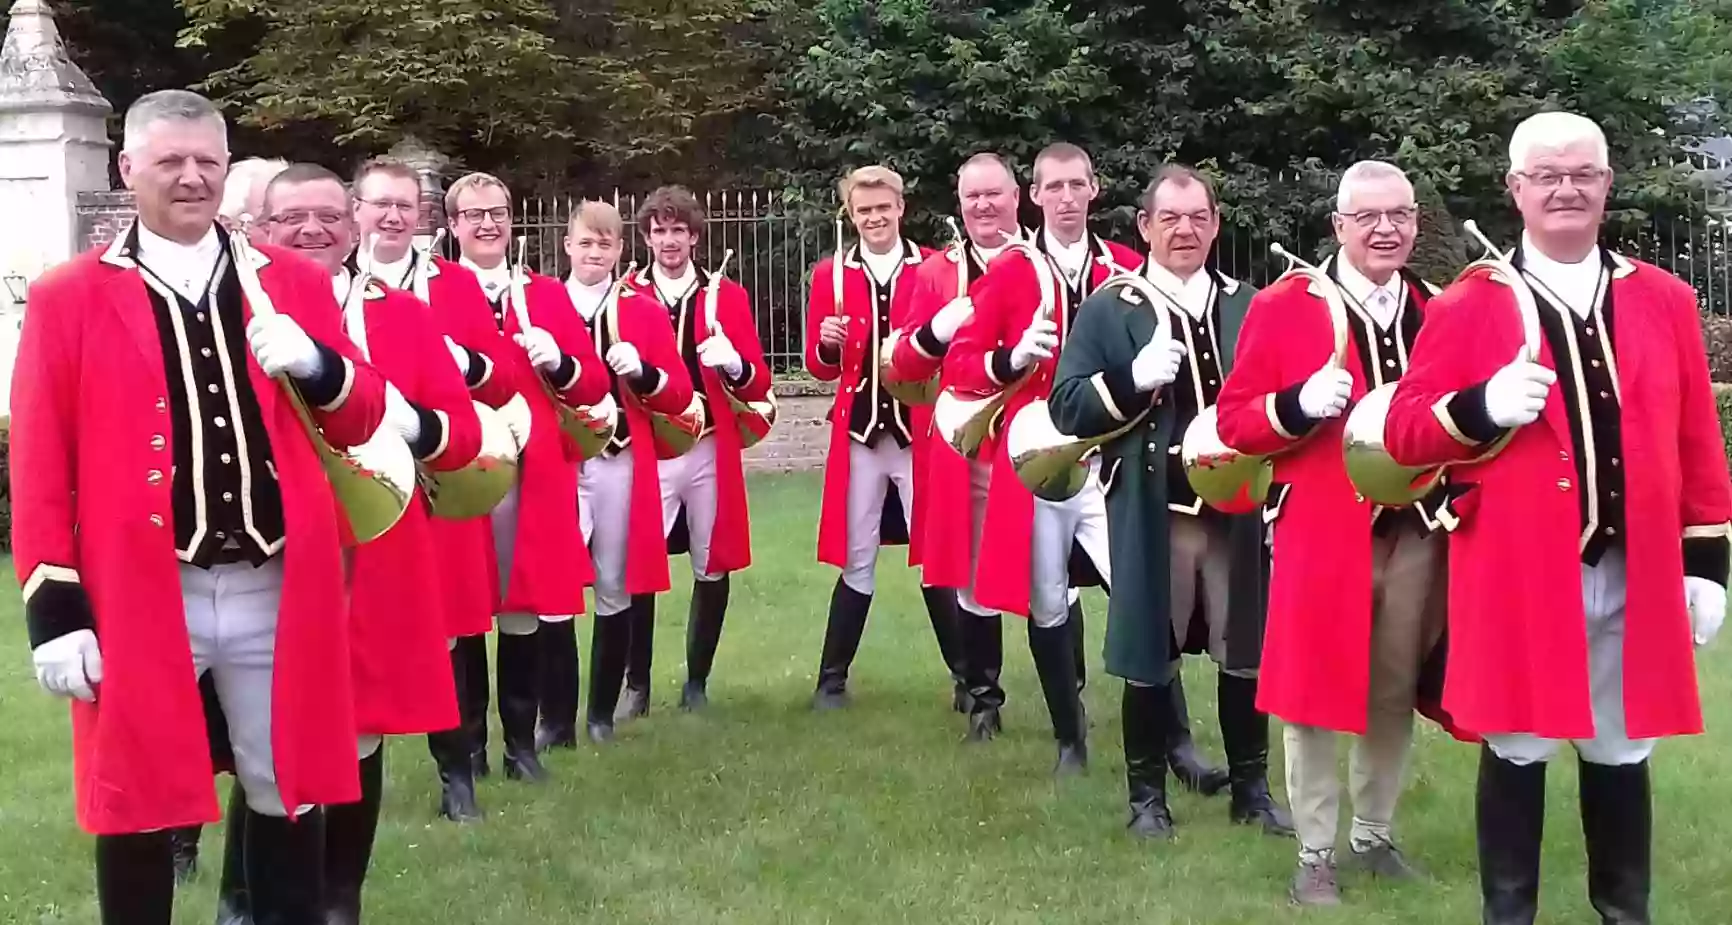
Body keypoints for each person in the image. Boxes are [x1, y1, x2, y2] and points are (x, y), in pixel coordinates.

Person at [14, 89, 384, 925]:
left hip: (277, 584)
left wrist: (321, 366)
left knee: (285, 781)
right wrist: (55, 609)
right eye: (170, 161)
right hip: (145, 594)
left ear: (227, 168)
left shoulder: (289, 281)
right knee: (137, 796)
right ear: (128, 169)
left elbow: (361, 419)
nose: (190, 178)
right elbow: (42, 463)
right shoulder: (68, 296)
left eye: (207, 162)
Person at [1384, 110, 1732, 924]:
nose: (1566, 189)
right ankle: (1510, 915)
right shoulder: (1472, 302)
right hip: (1518, 572)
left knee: (1621, 743)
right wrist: (1479, 406)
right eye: (1547, 176)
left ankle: (1624, 912)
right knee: (1520, 742)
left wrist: (1706, 562)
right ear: (1517, 189)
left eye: (1583, 174)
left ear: (1607, 185)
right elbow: (1403, 432)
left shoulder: (1666, 299)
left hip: (1638, 573)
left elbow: (1697, 442)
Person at [210, 162, 484, 925]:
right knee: (262, 731)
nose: (313, 231)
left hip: (378, 554)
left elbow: (463, 436)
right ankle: (241, 903)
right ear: (259, 228)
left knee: (359, 729)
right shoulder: (226, 304)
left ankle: (338, 904)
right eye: (292, 216)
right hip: (269, 557)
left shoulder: (402, 316)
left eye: (330, 216)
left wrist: (411, 424)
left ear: (353, 223)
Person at [1216, 160, 1453, 900]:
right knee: (1314, 692)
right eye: (1369, 217)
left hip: (1415, 531)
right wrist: (1295, 404)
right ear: (1339, 226)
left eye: (1400, 215)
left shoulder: (1435, 307)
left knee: (1391, 686)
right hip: (1322, 532)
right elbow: (1233, 421)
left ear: (1416, 223)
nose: (1386, 229)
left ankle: (1374, 833)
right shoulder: (1288, 305)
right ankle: (1314, 850)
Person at [1048, 164, 1287, 841]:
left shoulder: (1250, 304)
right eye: (1171, 218)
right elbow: (1066, 406)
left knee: (1246, 650)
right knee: (1150, 655)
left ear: (1215, 223)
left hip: (1237, 510)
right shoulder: (1109, 305)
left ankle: (1252, 789)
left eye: (1198, 217)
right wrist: (1129, 379)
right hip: (1154, 511)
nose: (1186, 229)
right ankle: (1146, 800)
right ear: (1145, 226)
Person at [945, 142, 1140, 773]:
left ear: (1094, 189)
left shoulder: (1125, 270)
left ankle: (1170, 741)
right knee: (1049, 600)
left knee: (1140, 592)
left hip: (1111, 462)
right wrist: (1011, 359)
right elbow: (960, 365)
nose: (1064, 197)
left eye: (1075, 185)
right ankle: (1069, 740)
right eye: (1052, 187)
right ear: (1034, 196)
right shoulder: (1009, 271)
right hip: (1040, 467)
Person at [351, 156, 514, 823]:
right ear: (355, 208)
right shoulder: (320, 284)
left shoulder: (451, 283)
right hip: (350, 481)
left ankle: (459, 772)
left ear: (420, 215)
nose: (392, 215)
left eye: (404, 204)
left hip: (434, 476)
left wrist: (464, 362)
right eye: (379, 203)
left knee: (445, 631)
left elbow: (500, 381)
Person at [448, 171, 612, 782]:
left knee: (523, 607)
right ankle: (467, 751)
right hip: (460, 469)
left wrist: (561, 361)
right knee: (465, 609)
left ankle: (521, 745)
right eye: (473, 215)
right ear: (453, 226)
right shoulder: (434, 288)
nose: (487, 224)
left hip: (533, 473)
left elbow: (594, 385)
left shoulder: (544, 294)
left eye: (497, 212)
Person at [804, 165, 964, 710]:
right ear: (852, 215)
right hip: (860, 434)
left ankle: (969, 679)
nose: (874, 218)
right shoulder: (832, 274)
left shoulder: (934, 269)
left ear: (901, 208)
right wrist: (828, 344)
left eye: (882, 207)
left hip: (921, 434)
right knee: (856, 555)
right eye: (863, 210)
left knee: (940, 551)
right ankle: (831, 679)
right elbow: (820, 367)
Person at [617, 185, 773, 715]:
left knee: (712, 561)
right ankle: (635, 684)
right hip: (651, 448)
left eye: (678, 230)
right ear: (645, 237)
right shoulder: (624, 295)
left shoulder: (725, 295)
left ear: (695, 236)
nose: (668, 241)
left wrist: (731, 363)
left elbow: (757, 381)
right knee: (640, 563)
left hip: (707, 445)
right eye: (658, 231)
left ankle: (697, 681)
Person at [884, 152, 1022, 725]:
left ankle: (1071, 697)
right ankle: (982, 698)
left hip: (1033, 438)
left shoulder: (1040, 264)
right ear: (959, 204)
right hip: (964, 443)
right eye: (972, 197)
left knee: (1051, 573)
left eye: (994, 194)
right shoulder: (934, 273)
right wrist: (936, 332)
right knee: (966, 570)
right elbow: (903, 367)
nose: (984, 206)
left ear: (1017, 197)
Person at [557, 200, 698, 744]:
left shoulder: (640, 309)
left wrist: (644, 373)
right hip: (563, 463)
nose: (595, 253)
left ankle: (599, 714)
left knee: (615, 584)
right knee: (558, 586)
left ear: (621, 250)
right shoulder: (543, 302)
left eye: (605, 244)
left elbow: (680, 391)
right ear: (567, 246)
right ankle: (555, 717)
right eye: (585, 243)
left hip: (617, 459)